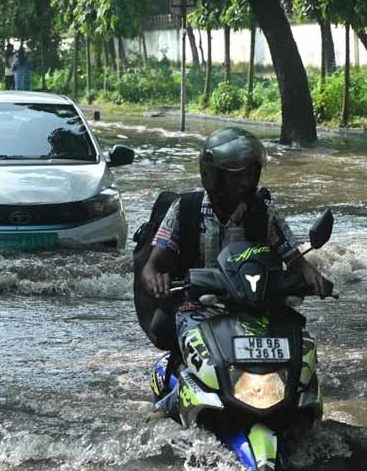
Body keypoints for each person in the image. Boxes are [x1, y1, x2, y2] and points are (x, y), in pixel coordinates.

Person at [140, 127, 330, 415]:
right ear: (213, 175)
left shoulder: (264, 210)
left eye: (248, 174)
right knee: (193, 373)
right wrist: (156, 277)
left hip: (255, 304)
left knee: (299, 350)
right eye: (235, 175)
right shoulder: (186, 209)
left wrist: (312, 276)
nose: (244, 182)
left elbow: (293, 256)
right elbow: (153, 263)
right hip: (198, 305)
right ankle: (166, 408)